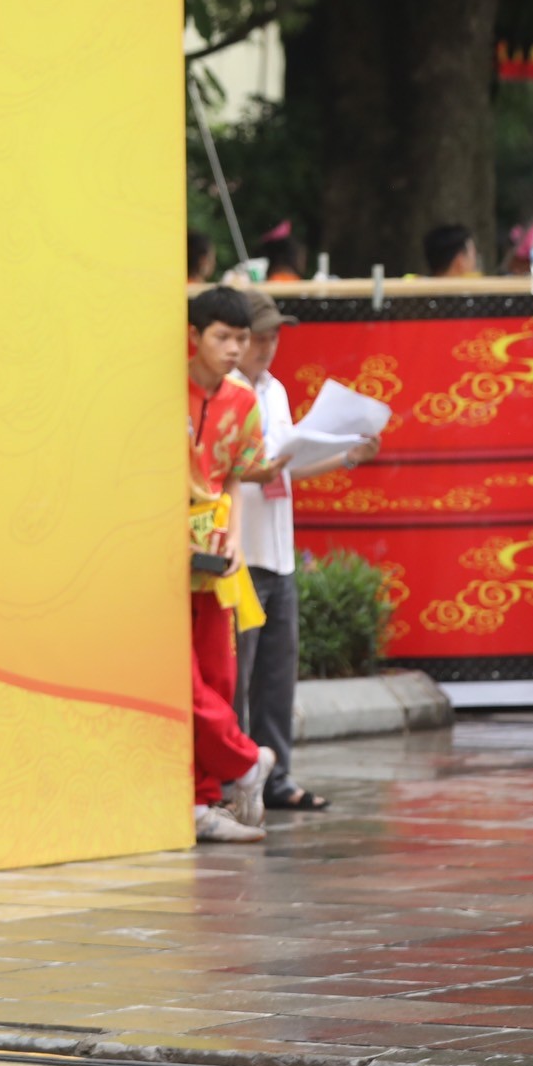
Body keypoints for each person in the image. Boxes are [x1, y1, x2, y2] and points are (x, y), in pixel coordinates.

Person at [233, 289, 378, 814]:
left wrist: (345, 457)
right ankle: (235, 779)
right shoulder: (229, 393)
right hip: (241, 550)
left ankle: (277, 778)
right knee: (237, 675)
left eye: (275, 337)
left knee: (276, 673)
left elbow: (285, 464)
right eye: (260, 336)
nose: (269, 347)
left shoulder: (274, 391)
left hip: (278, 549)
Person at [186, 287, 276, 843]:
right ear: (193, 336)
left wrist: (237, 538)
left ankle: (201, 802)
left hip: (216, 546)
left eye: (240, 339)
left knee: (218, 674)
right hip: (160, 545)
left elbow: (240, 476)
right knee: (180, 674)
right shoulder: (164, 389)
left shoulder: (242, 401)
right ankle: (246, 762)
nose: (234, 349)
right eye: (223, 337)